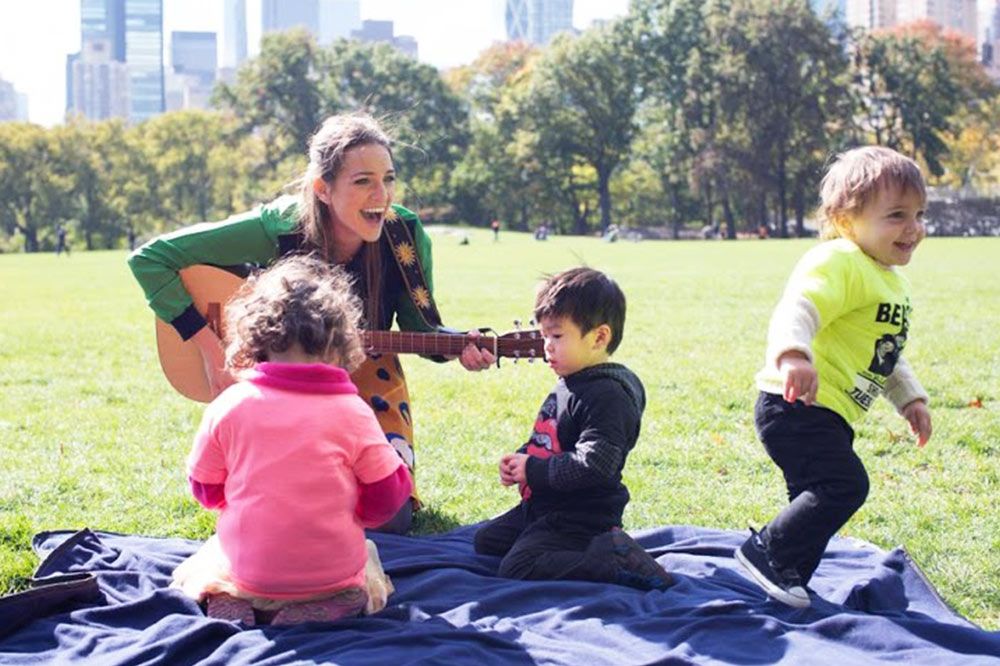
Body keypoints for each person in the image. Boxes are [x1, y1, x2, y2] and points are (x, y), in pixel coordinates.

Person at [128, 113, 494, 534]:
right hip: (283, 374)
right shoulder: (279, 226)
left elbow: (423, 329)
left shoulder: (405, 233)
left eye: (388, 179)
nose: (382, 195)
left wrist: (459, 345)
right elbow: (150, 259)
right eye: (363, 181)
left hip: (369, 368)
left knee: (390, 518)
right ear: (323, 188)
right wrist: (214, 352)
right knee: (282, 504)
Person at [736, 146, 933, 609]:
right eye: (897, 215)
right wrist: (793, 355)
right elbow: (798, 307)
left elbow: (886, 352)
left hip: (830, 413)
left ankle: (787, 578)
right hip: (795, 403)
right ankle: (767, 551)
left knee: (814, 501)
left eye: (920, 214)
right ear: (846, 220)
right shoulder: (840, 260)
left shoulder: (889, 279)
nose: (913, 228)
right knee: (844, 485)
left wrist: (911, 400)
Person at [170, 255, 412, 625]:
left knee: (209, 557)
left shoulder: (230, 405)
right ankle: (329, 604)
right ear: (339, 344)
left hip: (251, 571)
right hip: (330, 574)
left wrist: (238, 503)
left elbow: (204, 488)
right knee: (368, 557)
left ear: (255, 339)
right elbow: (390, 494)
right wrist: (356, 513)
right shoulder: (352, 411)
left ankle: (230, 598)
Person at [473, 267, 673, 591]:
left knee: (518, 567)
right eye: (544, 336)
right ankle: (562, 546)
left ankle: (609, 558)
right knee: (486, 541)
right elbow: (550, 437)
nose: (546, 346)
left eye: (557, 336)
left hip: (581, 516)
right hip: (545, 505)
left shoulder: (608, 395)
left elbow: (596, 464)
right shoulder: (570, 381)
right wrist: (521, 459)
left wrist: (534, 470)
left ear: (598, 337)